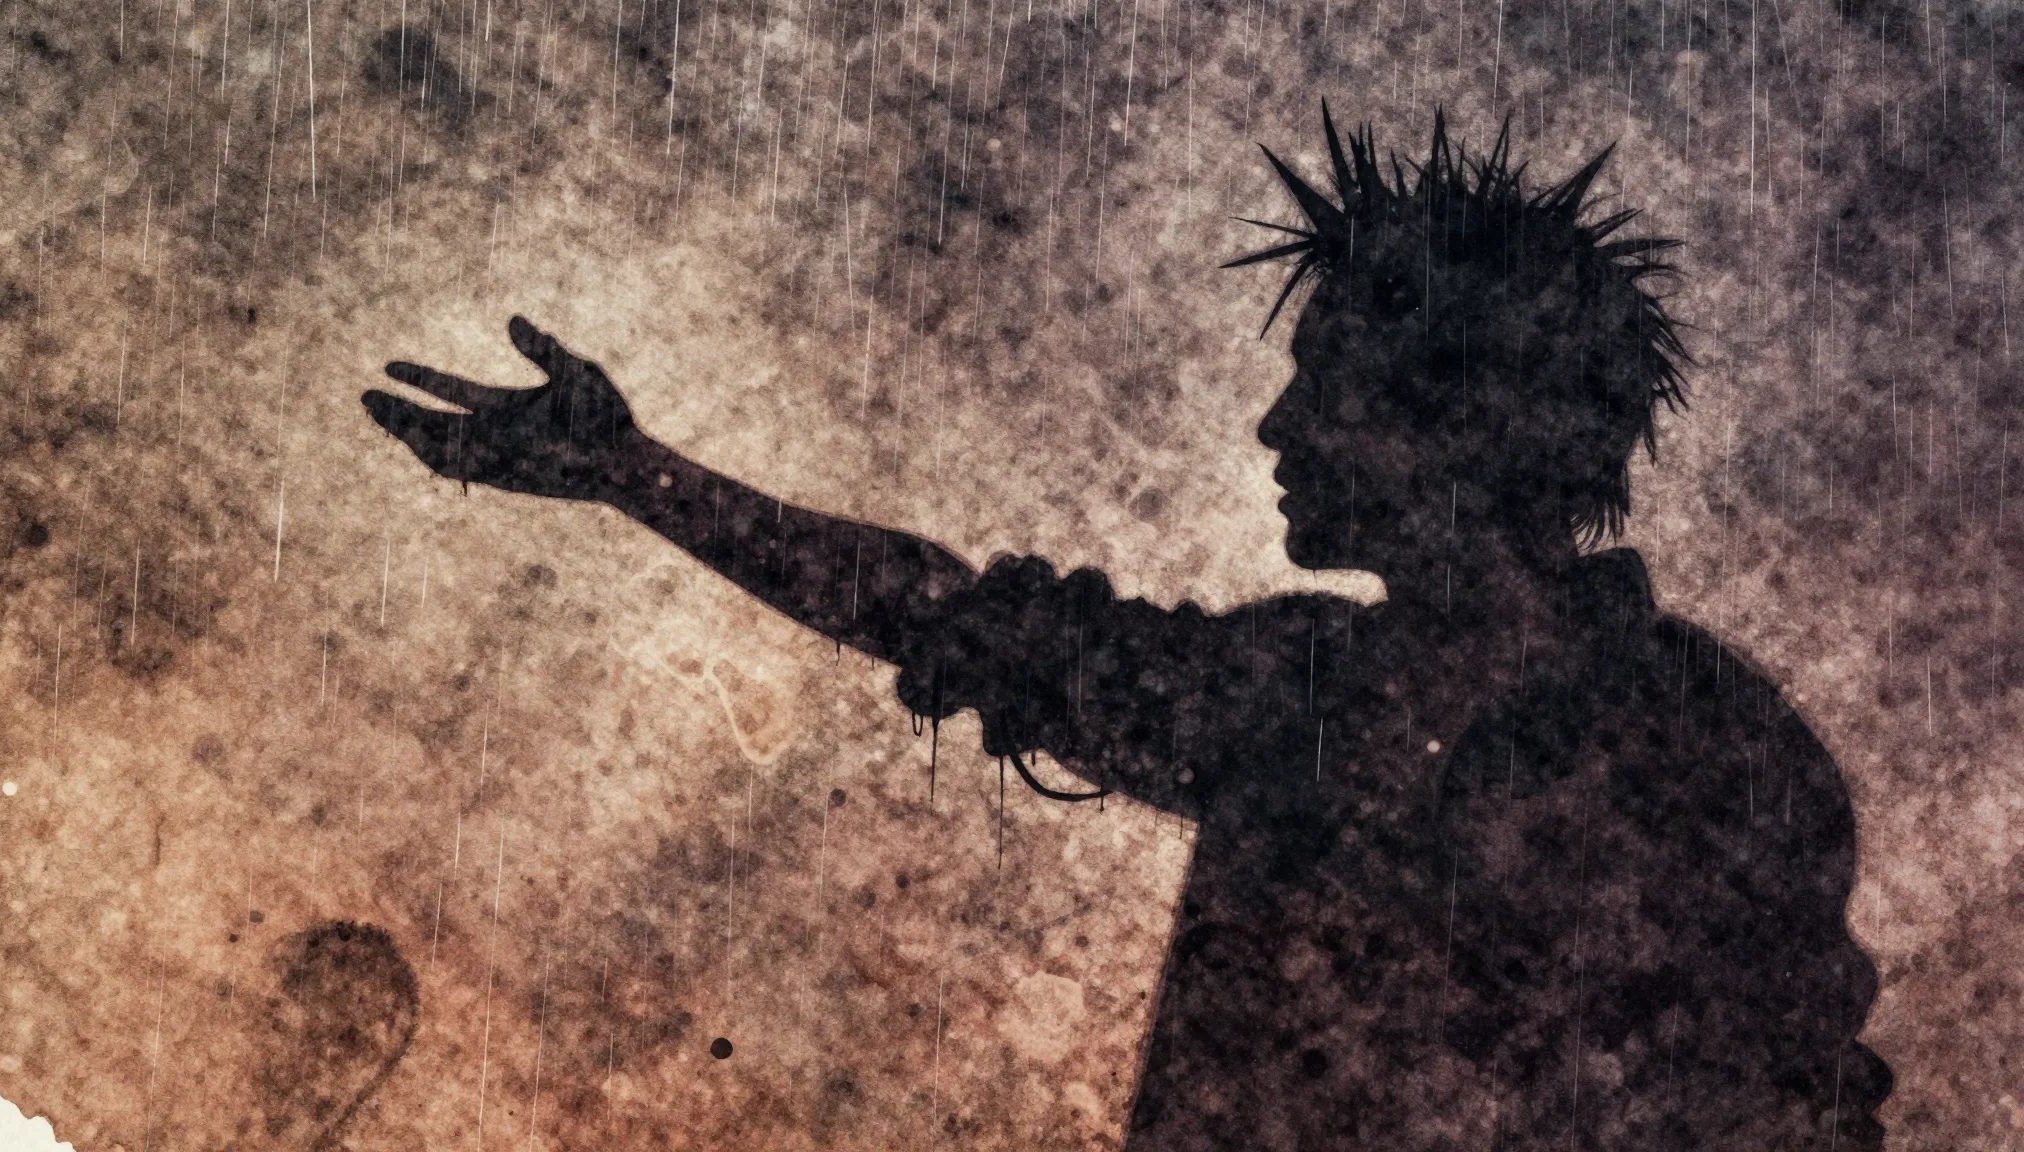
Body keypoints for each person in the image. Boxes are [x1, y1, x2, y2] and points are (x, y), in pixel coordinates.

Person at [362, 108, 1891, 1149]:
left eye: (1329, 382)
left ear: (1461, 421)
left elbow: (1793, 1114)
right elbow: (953, 615)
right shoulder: (1286, 692)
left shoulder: (1708, 759)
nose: (1276, 425)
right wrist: (631, 472)